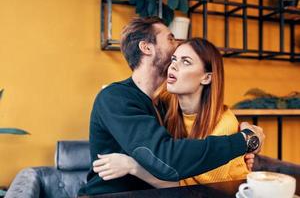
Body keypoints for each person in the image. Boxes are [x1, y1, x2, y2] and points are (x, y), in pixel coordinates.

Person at [78, 17, 264, 196]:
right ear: (147, 47)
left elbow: (187, 151)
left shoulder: (165, 104)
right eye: (170, 38)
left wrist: (243, 135)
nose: (176, 44)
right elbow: (168, 159)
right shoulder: (116, 98)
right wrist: (243, 141)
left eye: (184, 60)